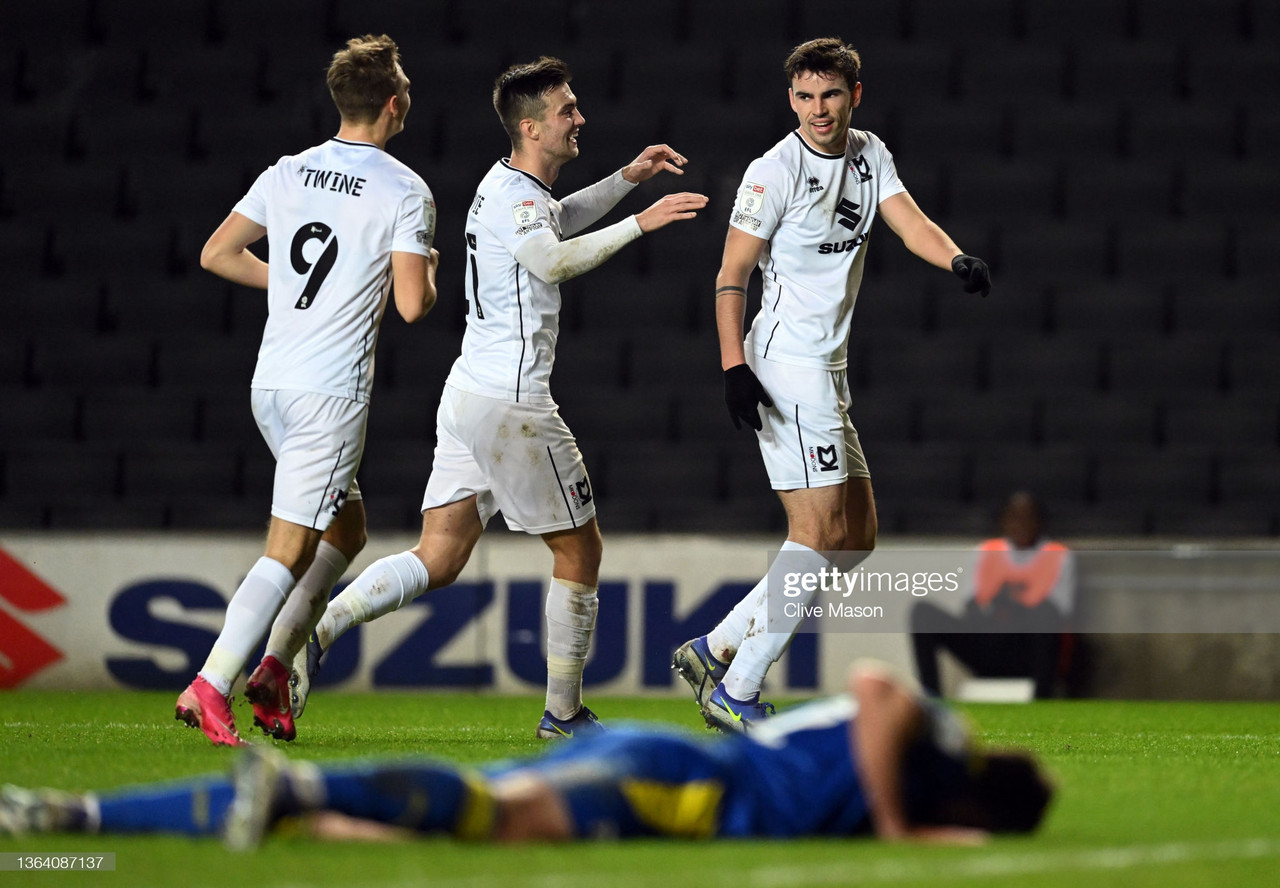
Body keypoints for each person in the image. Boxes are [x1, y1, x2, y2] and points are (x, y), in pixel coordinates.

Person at [283, 57, 708, 739]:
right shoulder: (517, 199)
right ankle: (562, 714)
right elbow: (551, 259)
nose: (580, 118)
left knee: (439, 556)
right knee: (580, 552)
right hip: (515, 405)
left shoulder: (508, 185)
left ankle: (321, 627)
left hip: (469, 393)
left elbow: (557, 221)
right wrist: (643, 223)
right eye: (568, 110)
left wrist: (627, 180)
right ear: (533, 126)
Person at [674, 37, 993, 732]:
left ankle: (717, 644)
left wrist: (956, 257)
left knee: (856, 540)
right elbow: (731, 275)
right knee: (817, 534)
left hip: (827, 365)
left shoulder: (870, 153)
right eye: (805, 97)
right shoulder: (773, 171)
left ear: (855, 95)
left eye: (831, 96)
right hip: (787, 362)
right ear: (791, 100)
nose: (818, 110)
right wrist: (733, 366)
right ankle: (739, 689)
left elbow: (907, 222)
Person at [0, 663, 1053, 846]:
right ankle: (300, 785)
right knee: (496, 818)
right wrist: (902, 819)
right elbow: (876, 692)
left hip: (670, 764)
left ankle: (77, 820)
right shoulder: (937, 747)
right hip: (687, 785)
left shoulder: (935, 764)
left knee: (356, 829)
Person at [175, 34, 440, 747]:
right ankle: (212, 682)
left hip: (272, 384)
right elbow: (414, 305)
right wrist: (433, 269)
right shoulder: (403, 189)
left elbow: (216, 253)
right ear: (393, 103)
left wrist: (289, 287)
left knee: (345, 531)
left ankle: (273, 668)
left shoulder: (287, 171)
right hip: (330, 393)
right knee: (287, 548)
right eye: (406, 85)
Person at [910, 491, 1075, 699]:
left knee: (1045, 615)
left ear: (1040, 522)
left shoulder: (1058, 555)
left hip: (1026, 653)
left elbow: (1058, 614)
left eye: (1028, 517)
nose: (1021, 524)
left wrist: (1009, 606)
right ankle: (932, 699)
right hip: (989, 648)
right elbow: (971, 609)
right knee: (922, 612)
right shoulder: (986, 551)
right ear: (1003, 521)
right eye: (1014, 517)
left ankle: (1041, 699)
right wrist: (1003, 606)